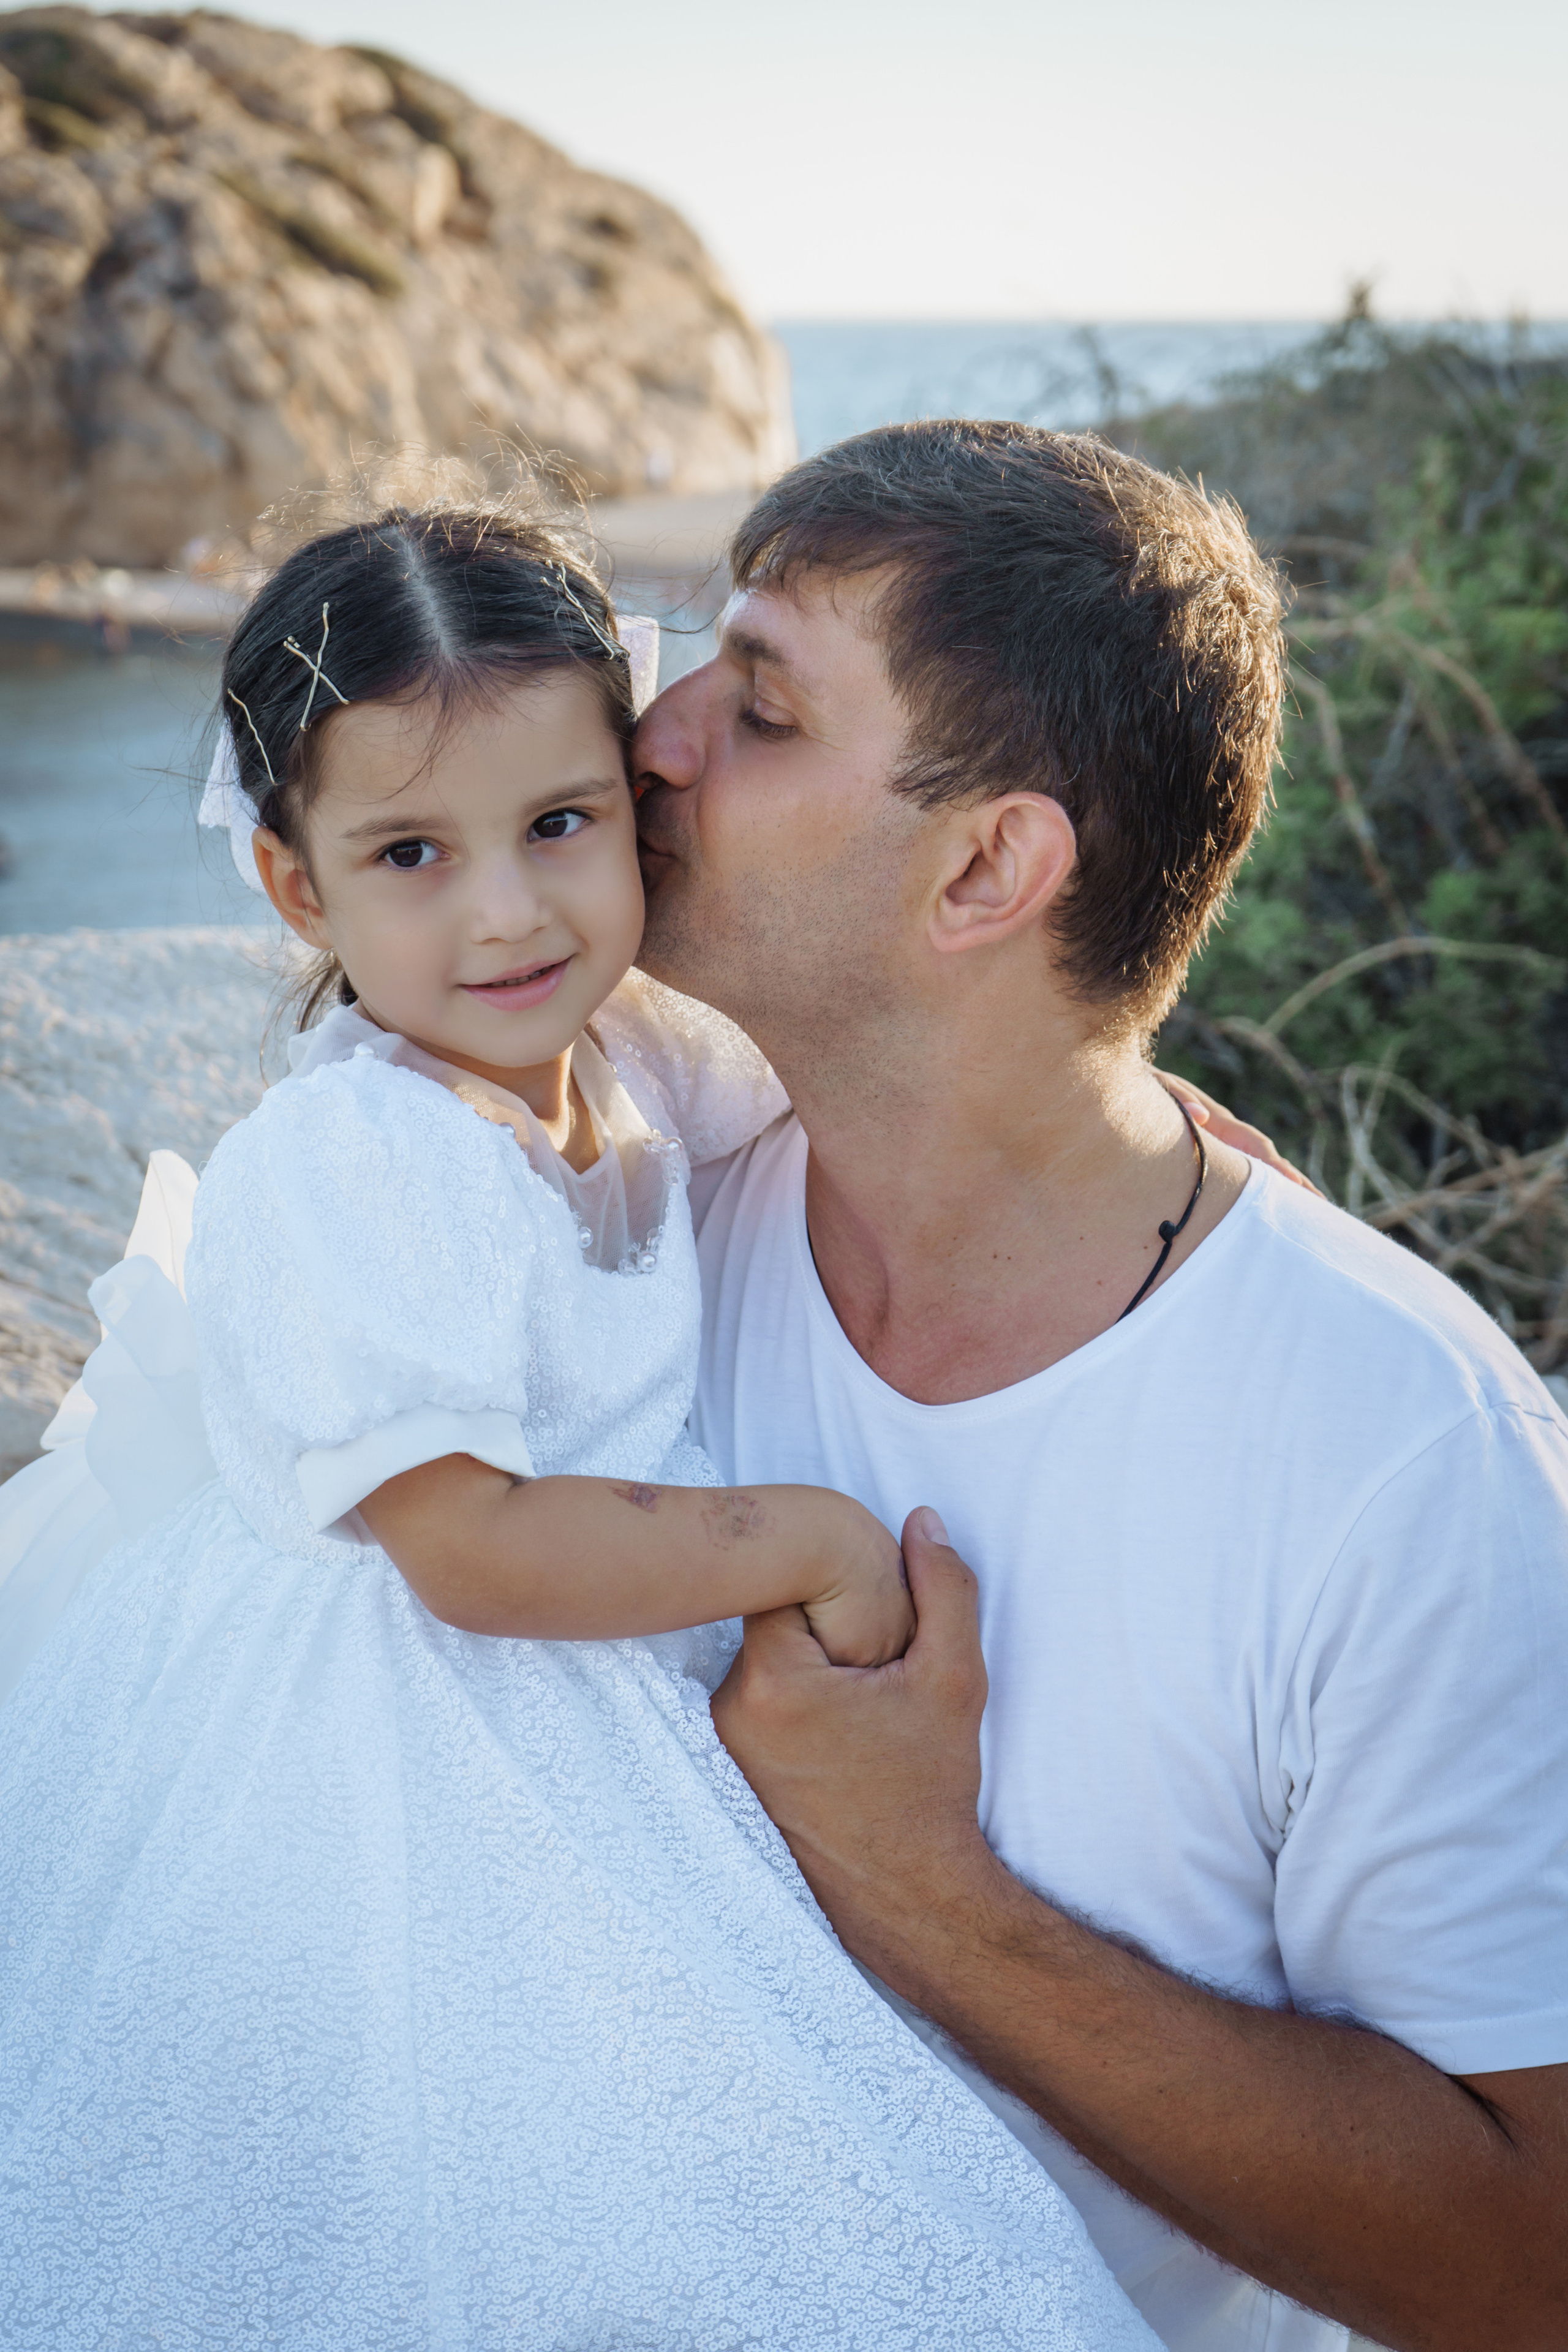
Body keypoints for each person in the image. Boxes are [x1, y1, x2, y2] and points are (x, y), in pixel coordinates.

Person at [0, 503, 1161, 2350]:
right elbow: (466, 1550)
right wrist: (804, 1535)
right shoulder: (360, 1157)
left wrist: (1128, 1124)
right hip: (400, 1736)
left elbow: (848, 1077)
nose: (509, 912)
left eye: (559, 823)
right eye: (408, 853)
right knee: (517, 2175)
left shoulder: (629, 1057)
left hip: (595, 1673)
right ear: (300, 888)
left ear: (634, 800)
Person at [630, 421, 1568, 2352]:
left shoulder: (1403, 1460)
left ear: (989, 865)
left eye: (765, 706)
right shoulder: (633, 1198)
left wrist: (920, 1883)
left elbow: (1528, 2266)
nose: (655, 736)